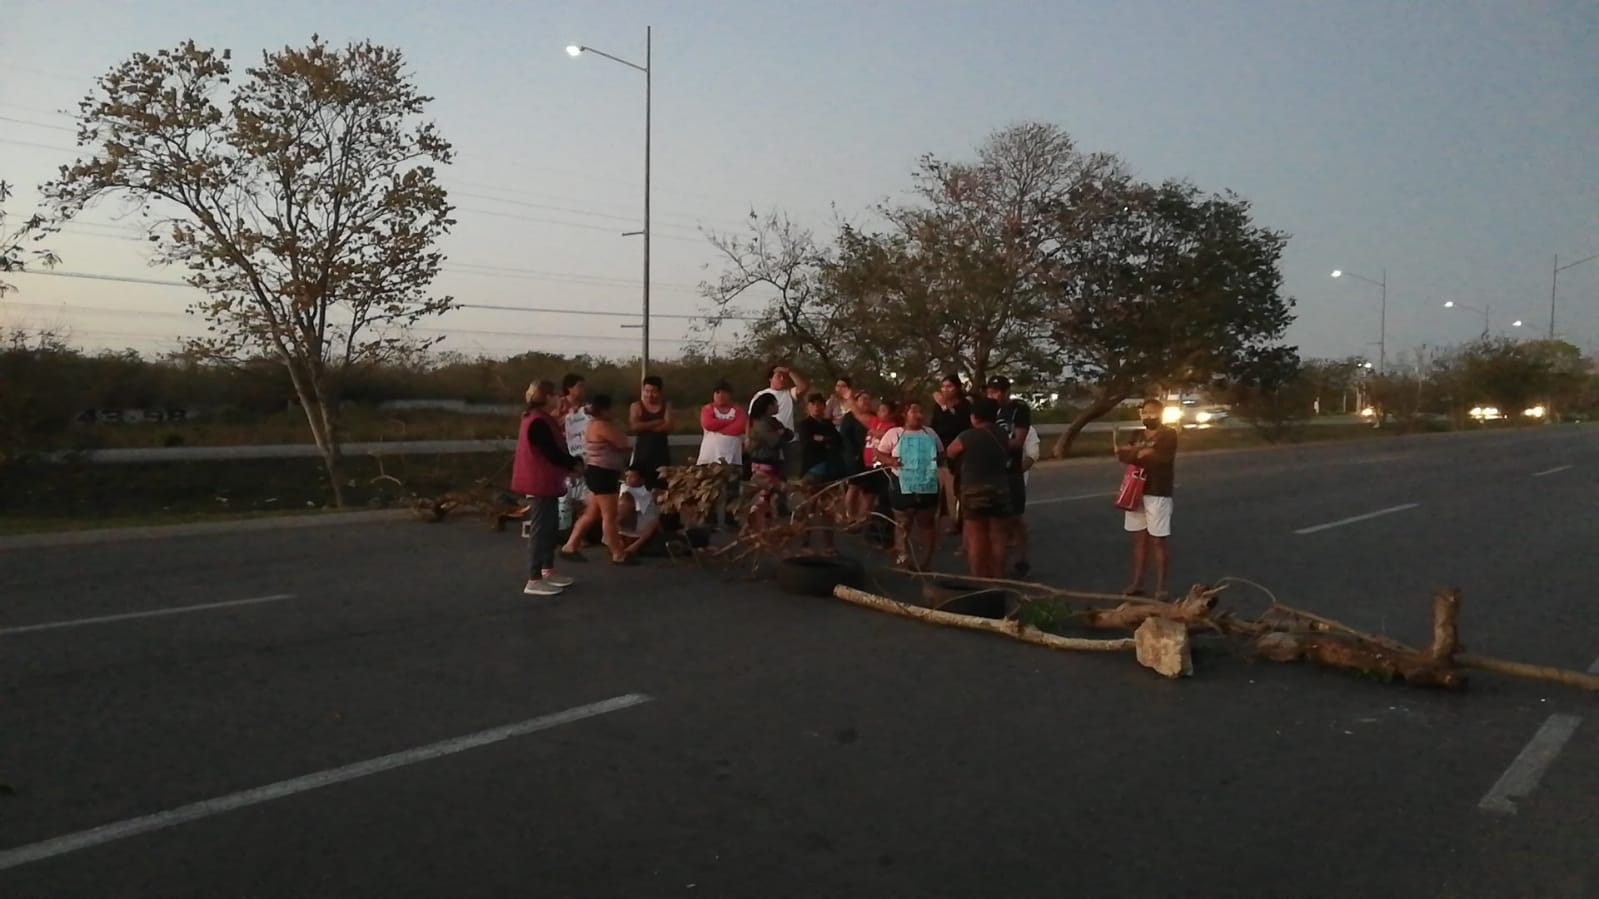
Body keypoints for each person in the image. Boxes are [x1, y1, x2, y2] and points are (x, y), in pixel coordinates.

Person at [510, 380, 581, 597]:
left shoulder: (539, 419)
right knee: (540, 530)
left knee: (550, 527)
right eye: (555, 394)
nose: (559, 398)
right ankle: (534, 578)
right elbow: (551, 452)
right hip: (538, 481)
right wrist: (574, 464)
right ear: (546, 396)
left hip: (546, 481)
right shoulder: (538, 422)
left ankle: (547, 571)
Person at [1116, 398, 1179, 599]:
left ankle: (1161, 587)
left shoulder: (1168, 434)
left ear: (1160, 414)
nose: (1148, 416)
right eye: (1145, 412)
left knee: (1158, 540)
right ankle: (1138, 583)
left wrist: (1135, 453)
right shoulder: (1137, 434)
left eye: (1152, 413)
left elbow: (1156, 457)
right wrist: (1138, 453)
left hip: (1158, 491)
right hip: (1136, 491)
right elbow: (1122, 455)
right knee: (1139, 540)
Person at [560, 394, 633, 565]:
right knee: (609, 516)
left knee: (591, 514)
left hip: (598, 472)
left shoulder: (594, 424)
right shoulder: (600, 425)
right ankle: (617, 553)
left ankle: (570, 545)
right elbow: (623, 442)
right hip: (603, 474)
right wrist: (619, 427)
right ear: (604, 410)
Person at [944, 397, 1012, 579]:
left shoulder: (968, 436)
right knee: (999, 537)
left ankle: (979, 578)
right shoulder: (1002, 435)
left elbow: (950, 451)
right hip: (1000, 489)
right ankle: (999, 576)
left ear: (974, 416)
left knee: (976, 537)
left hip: (974, 490)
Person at [877, 400, 944, 569]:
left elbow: (942, 454)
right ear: (904, 414)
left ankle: (925, 561)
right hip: (902, 483)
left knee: (926, 522)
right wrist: (891, 461)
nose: (918, 415)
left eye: (920, 411)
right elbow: (880, 454)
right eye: (914, 411)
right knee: (902, 522)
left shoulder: (930, 433)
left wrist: (936, 460)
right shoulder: (894, 433)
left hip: (927, 484)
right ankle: (903, 555)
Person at [985, 376, 1033, 576]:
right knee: (994, 520)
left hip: (1010, 468)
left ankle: (1022, 557)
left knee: (1013, 517)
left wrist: (991, 441)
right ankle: (995, 565)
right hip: (990, 469)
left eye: (997, 391)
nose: (993, 395)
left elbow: (1018, 441)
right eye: (990, 391)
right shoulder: (987, 409)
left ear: (1006, 392)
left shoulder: (1018, 409)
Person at [797, 393, 845, 553]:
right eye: (813, 404)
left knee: (828, 510)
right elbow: (808, 442)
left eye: (820, 404)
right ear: (808, 407)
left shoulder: (828, 424)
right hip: (811, 471)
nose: (817, 408)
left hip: (829, 472)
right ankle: (804, 543)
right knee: (807, 509)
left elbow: (837, 441)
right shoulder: (804, 424)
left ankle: (829, 545)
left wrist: (822, 440)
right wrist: (824, 441)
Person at [696, 381, 747, 530]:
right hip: (710, 457)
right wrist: (727, 423)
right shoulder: (707, 409)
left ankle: (730, 520)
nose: (720, 396)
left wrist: (721, 425)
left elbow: (738, 427)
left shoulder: (738, 410)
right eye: (717, 392)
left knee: (732, 491)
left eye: (724, 392)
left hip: (732, 458)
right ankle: (709, 520)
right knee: (709, 490)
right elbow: (708, 424)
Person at [930, 374, 972, 535]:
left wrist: (945, 408)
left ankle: (961, 522)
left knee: (958, 489)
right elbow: (935, 426)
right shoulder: (937, 406)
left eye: (949, 387)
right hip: (941, 450)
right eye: (943, 387)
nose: (945, 390)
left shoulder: (964, 405)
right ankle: (942, 520)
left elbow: (960, 425)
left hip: (959, 451)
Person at [745, 392, 791, 534]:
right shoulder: (760, 424)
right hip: (762, 465)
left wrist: (782, 433)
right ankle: (754, 528)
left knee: (767, 498)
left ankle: (761, 528)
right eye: (775, 403)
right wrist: (781, 434)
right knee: (764, 497)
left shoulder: (773, 421)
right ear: (768, 406)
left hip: (773, 463)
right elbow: (775, 442)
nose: (778, 406)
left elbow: (789, 434)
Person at [554, 372, 591, 528]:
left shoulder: (585, 407)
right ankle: (564, 529)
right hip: (564, 451)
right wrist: (568, 417)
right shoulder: (560, 404)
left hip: (581, 452)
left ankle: (580, 529)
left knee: (583, 493)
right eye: (579, 386)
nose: (582, 390)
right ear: (569, 388)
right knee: (566, 492)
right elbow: (552, 422)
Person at [628, 375, 673, 490]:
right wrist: (657, 422)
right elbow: (635, 426)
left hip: (661, 453)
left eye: (653, 392)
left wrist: (645, 426)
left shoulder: (666, 406)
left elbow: (669, 426)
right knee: (637, 486)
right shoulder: (636, 406)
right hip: (642, 453)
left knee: (661, 487)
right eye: (646, 391)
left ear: (660, 392)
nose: (649, 395)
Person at [838, 390, 873, 524]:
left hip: (870, 457)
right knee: (854, 486)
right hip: (854, 456)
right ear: (856, 402)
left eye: (868, 399)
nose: (866, 402)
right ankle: (850, 514)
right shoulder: (850, 417)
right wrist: (853, 454)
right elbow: (846, 437)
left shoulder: (873, 417)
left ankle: (863, 515)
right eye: (862, 399)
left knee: (869, 489)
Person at [618, 464, 664, 558]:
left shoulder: (647, 493)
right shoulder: (625, 489)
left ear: (642, 480)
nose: (628, 479)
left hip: (642, 528)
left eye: (632, 477)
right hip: (626, 525)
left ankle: (633, 547)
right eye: (627, 476)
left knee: (654, 522)